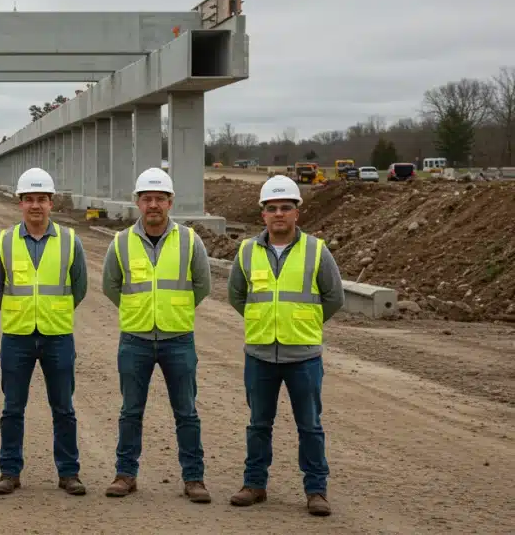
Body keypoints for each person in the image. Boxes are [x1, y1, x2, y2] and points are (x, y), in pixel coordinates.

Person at [226, 175, 344, 517]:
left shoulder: (316, 250)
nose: (279, 214)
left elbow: (333, 297)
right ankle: (254, 485)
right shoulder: (247, 251)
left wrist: (304, 324)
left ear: (297, 213)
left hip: (303, 356)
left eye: (286, 208)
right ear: (263, 214)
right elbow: (236, 295)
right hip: (260, 354)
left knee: (309, 425)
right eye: (272, 208)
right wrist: (262, 322)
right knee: (258, 424)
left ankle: (316, 491)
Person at [101, 167, 212, 503]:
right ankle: (125, 474)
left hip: (178, 339)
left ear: (170, 202)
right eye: (147, 198)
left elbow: (202, 286)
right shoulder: (120, 242)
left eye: (159, 199)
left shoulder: (190, 240)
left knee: (186, 412)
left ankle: (194, 478)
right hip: (135, 339)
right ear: (138, 202)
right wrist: (139, 312)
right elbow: (111, 286)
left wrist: (172, 312)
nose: (153, 205)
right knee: (131, 411)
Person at [0, 167, 88, 496]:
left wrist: (53, 311)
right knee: (12, 408)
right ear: (19, 203)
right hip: (16, 337)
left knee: (64, 408)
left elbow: (80, 287)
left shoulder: (70, 241)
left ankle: (69, 472)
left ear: (51, 203)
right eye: (29, 199)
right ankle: (9, 471)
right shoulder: (5, 241)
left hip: (57, 336)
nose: (35, 205)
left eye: (41, 199)